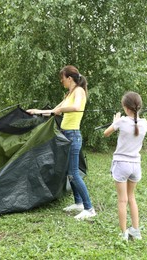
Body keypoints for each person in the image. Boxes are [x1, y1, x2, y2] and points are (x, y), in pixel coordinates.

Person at [26, 65, 96, 220]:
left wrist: (61, 110)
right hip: (66, 135)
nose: (61, 81)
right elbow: (54, 110)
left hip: (73, 135)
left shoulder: (79, 91)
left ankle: (89, 208)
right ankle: (78, 203)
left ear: (69, 78)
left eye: (62, 78)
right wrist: (36, 111)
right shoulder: (69, 93)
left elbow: (76, 107)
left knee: (73, 173)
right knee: (69, 172)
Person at [103, 91, 147, 241]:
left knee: (122, 200)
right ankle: (135, 230)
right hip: (136, 165)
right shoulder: (145, 123)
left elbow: (106, 133)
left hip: (122, 164)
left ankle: (123, 234)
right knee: (132, 198)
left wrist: (114, 121)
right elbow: (133, 124)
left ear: (125, 106)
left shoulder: (121, 121)